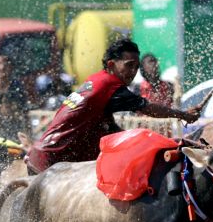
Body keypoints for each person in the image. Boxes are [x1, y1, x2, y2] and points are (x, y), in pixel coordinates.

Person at [25, 39, 201, 174]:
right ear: (111, 64)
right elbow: (147, 108)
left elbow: (111, 130)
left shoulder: (94, 81)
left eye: (136, 67)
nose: (133, 72)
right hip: (52, 166)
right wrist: (184, 115)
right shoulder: (110, 86)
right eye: (129, 66)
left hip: (40, 157)